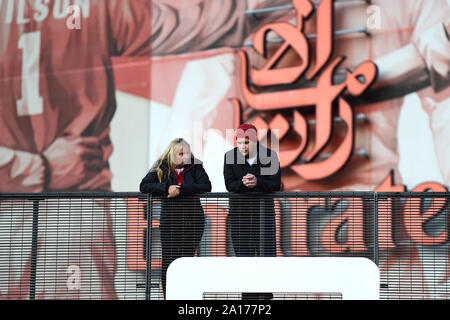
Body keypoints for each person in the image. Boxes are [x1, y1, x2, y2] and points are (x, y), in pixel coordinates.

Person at [140, 138, 211, 299]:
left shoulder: (196, 165)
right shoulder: (160, 166)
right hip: (170, 222)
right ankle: (169, 296)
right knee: (169, 262)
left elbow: (206, 185)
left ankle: (187, 296)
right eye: (181, 153)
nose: (185, 156)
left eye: (187, 153)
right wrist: (167, 187)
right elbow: (144, 186)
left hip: (193, 221)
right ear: (172, 154)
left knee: (187, 260)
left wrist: (181, 190)